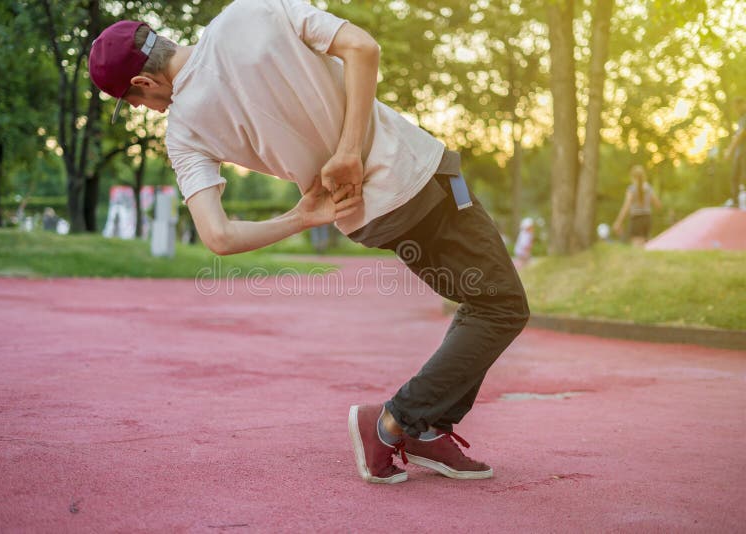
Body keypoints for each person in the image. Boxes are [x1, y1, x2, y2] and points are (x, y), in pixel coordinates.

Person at [89, 0, 529, 484]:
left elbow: (218, 236)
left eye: (135, 104)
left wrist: (302, 217)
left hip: (365, 217)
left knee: (481, 301)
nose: (148, 109)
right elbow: (362, 47)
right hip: (418, 178)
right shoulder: (248, 12)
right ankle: (394, 422)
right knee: (501, 306)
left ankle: (427, 427)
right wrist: (348, 151)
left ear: (143, 83)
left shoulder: (183, 131)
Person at [613, 165, 662, 247]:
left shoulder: (631, 189)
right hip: (647, 218)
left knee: (637, 247)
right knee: (645, 246)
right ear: (644, 176)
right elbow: (658, 205)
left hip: (636, 219)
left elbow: (626, 207)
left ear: (632, 177)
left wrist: (618, 222)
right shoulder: (648, 188)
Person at [724, 97, 746, 203]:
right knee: (735, 177)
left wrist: (729, 151)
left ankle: (738, 201)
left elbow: (741, 135)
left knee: (743, 176)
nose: (736, 110)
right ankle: (735, 201)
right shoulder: (740, 119)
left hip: (744, 153)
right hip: (740, 153)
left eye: (738, 106)